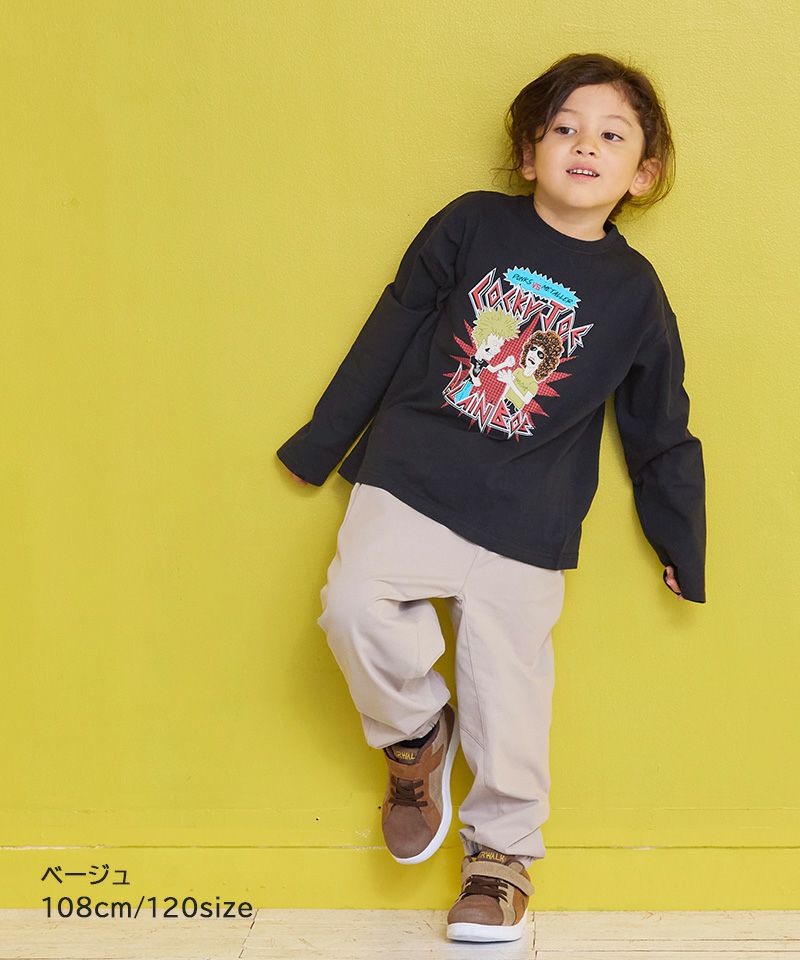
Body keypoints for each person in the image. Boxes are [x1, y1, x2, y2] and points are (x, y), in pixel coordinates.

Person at [276, 51, 706, 944]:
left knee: (509, 689)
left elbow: (659, 422)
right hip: (413, 473)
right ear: (528, 151)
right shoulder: (471, 223)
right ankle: (414, 738)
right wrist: (323, 443)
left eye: (611, 136)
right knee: (353, 608)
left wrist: (680, 538)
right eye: (564, 128)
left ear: (643, 172)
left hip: (531, 512)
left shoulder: (635, 294)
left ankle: (501, 861)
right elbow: (392, 326)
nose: (585, 146)